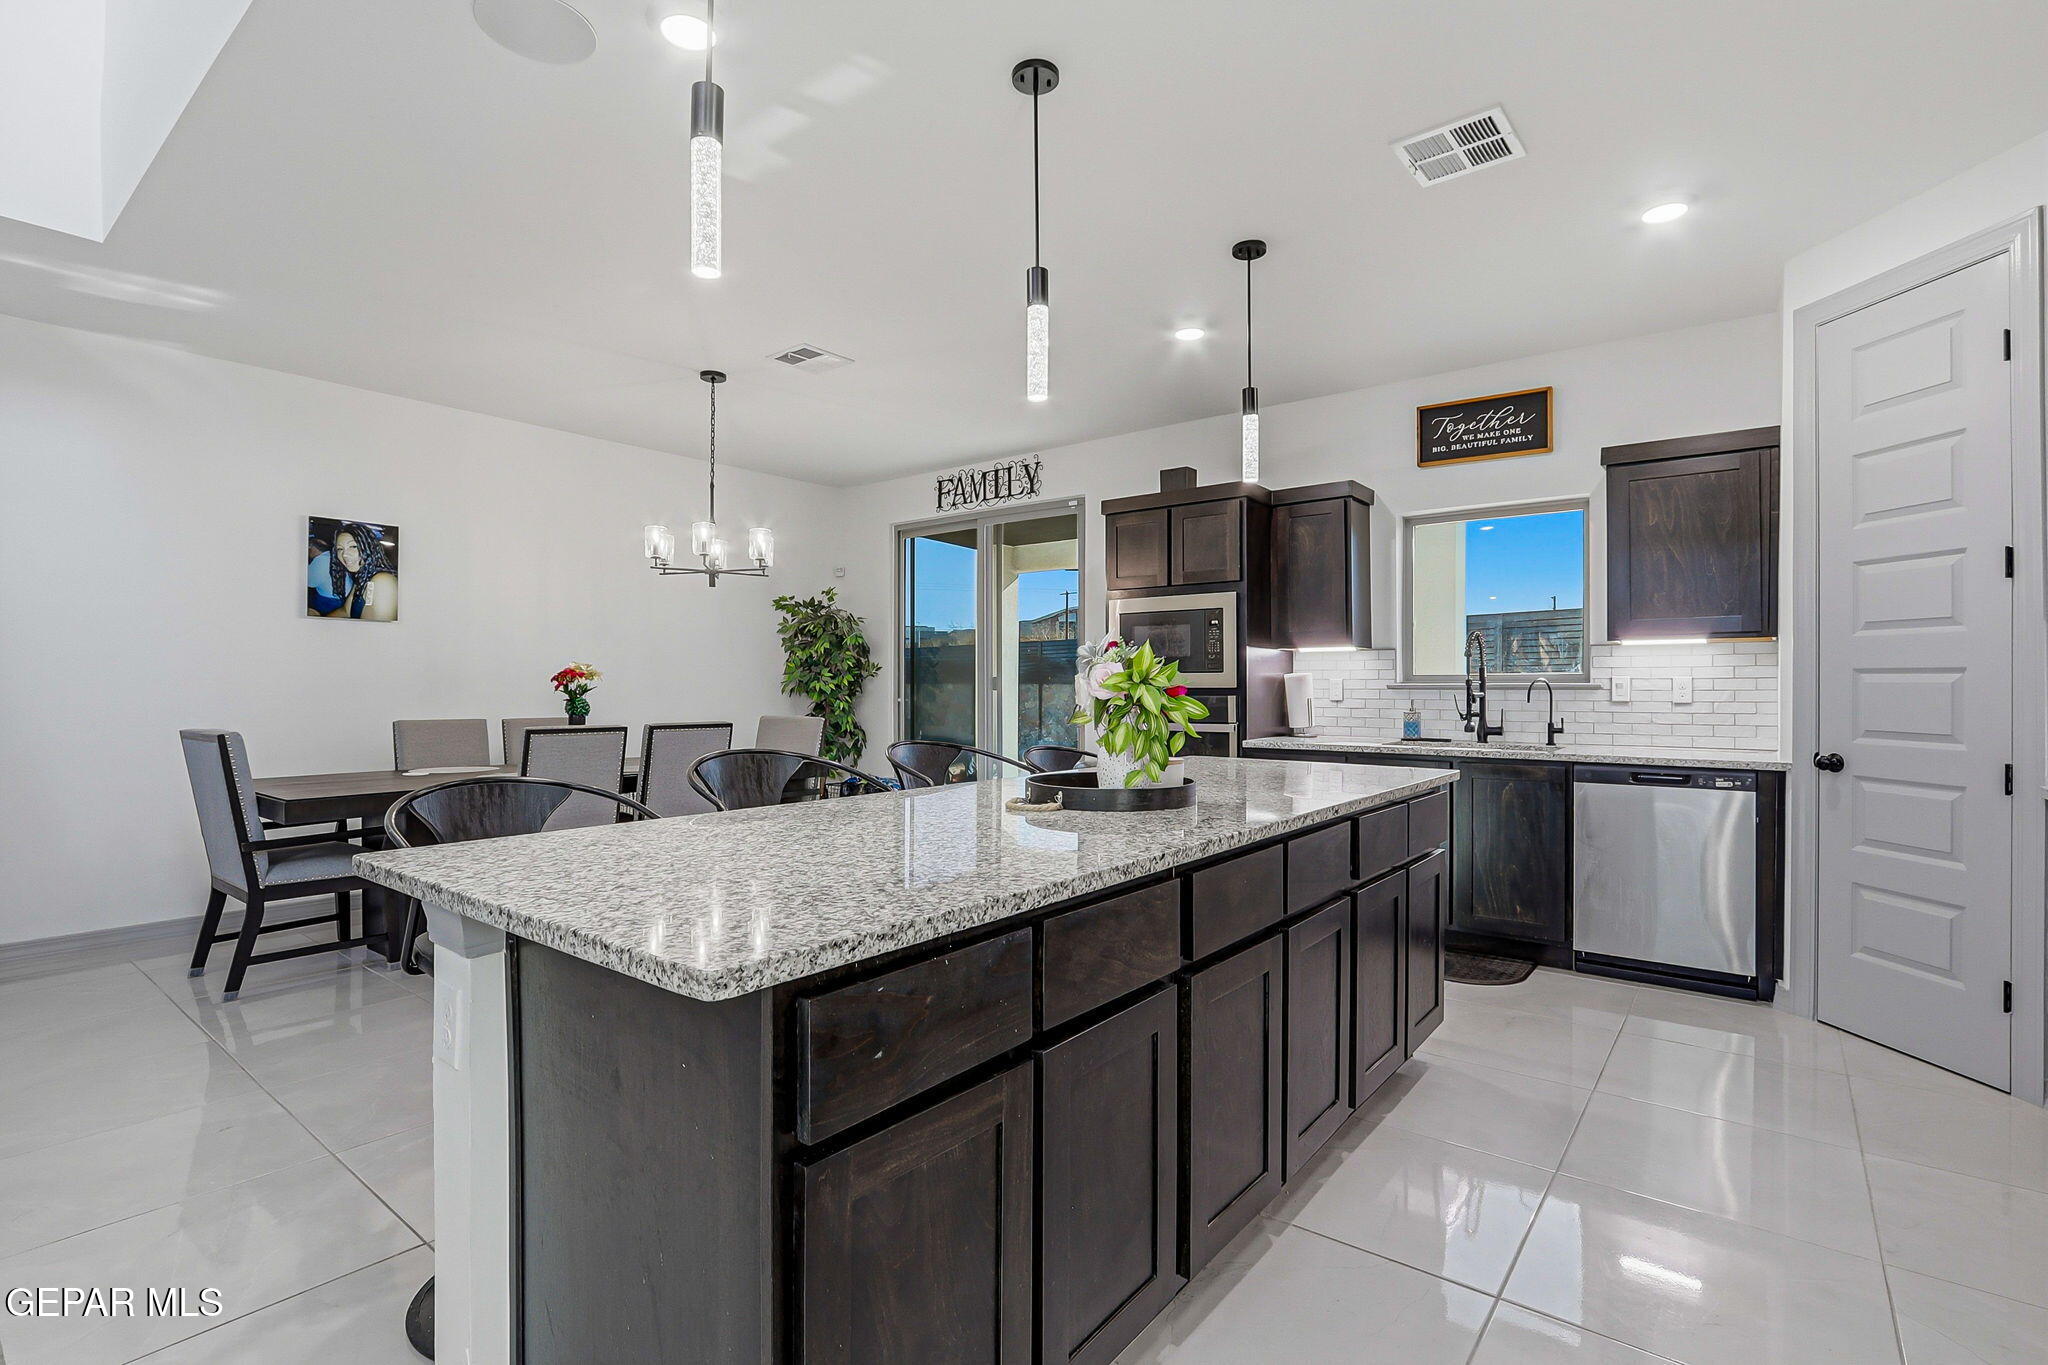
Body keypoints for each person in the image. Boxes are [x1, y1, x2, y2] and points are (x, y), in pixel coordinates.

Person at [308, 521, 398, 620]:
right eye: (340, 549)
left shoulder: (383, 580)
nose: (344, 554)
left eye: (353, 546)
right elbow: (346, 611)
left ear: (369, 547)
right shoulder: (362, 577)